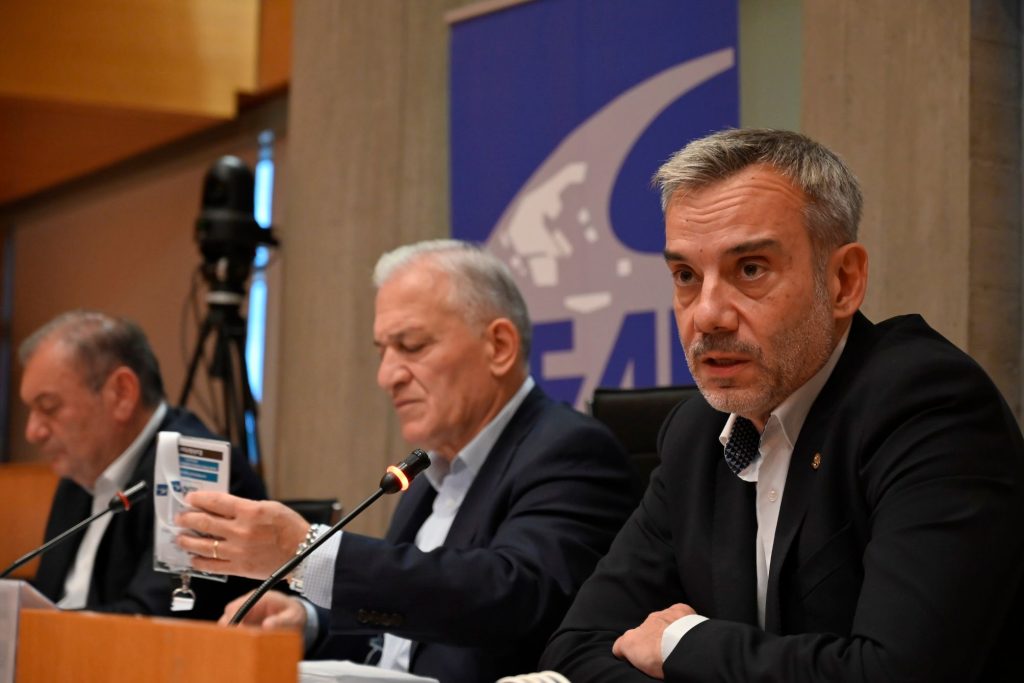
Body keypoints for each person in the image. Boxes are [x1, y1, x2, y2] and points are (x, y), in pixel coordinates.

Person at [540, 128, 1024, 681]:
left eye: (750, 269)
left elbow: (897, 673)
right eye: (686, 276)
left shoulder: (928, 407)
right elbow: (575, 649)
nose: (707, 315)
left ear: (843, 281)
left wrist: (681, 643)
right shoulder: (696, 433)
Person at [175, 239, 636, 682]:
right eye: (383, 352)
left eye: (411, 346)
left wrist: (304, 551)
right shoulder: (428, 473)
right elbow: (407, 624)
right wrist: (309, 623)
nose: (387, 376)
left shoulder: (570, 451)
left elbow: (511, 597)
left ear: (499, 346)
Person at [19, 310, 267, 619]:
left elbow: (155, 622)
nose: (33, 432)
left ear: (121, 394)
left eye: (49, 407)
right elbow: (50, 598)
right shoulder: (79, 472)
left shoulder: (194, 471)